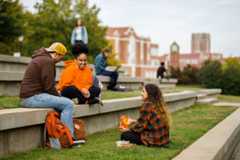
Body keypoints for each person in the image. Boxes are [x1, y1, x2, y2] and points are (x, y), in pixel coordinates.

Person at [20, 42, 75, 139]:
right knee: (68, 104)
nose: (59, 61)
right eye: (60, 58)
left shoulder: (40, 57)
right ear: (56, 54)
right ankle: (68, 137)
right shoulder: (47, 61)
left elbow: (47, 87)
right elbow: (49, 87)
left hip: (30, 97)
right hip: (33, 97)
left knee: (63, 102)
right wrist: (60, 98)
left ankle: (63, 134)